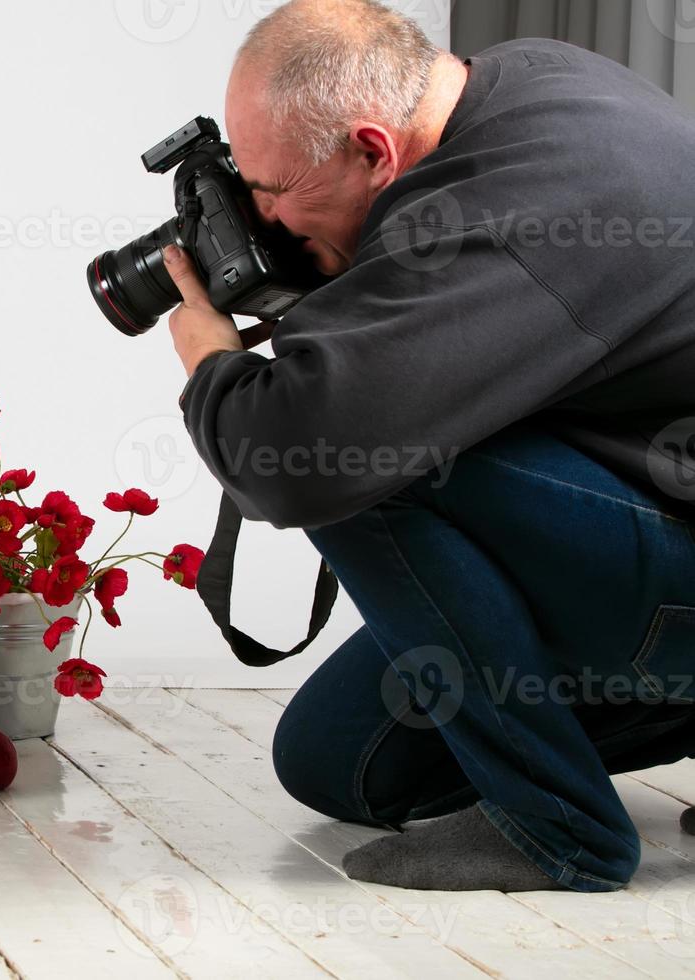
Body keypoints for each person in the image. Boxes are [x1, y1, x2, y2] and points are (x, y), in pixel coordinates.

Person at [169, 0, 695, 892]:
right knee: (338, 764)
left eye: (271, 196)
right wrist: (320, 279)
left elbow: (294, 453)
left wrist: (212, 362)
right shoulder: (522, 78)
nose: (264, 224)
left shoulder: (526, 209)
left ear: (373, 149)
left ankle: (559, 832)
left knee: (355, 457)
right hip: (644, 499)